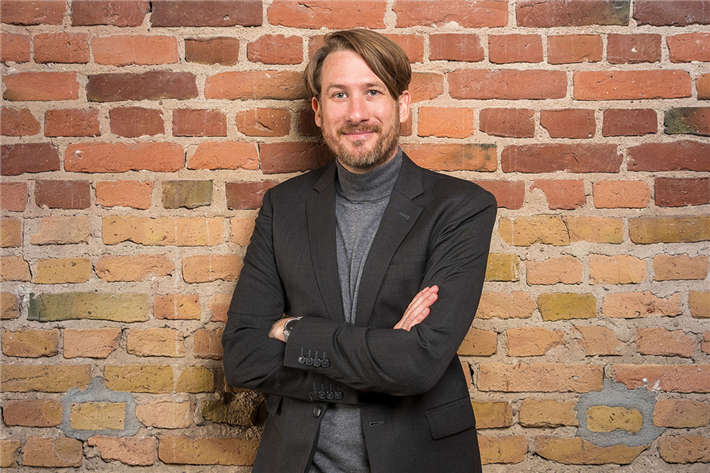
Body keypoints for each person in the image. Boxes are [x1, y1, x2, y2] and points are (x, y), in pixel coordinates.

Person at [222, 29, 497, 473]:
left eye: (373, 92)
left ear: (401, 104)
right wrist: (377, 360)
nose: (356, 113)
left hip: (418, 459)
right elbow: (243, 358)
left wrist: (295, 330)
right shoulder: (283, 207)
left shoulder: (462, 208)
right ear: (317, 110)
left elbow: (418, 363)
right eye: (339, 95)